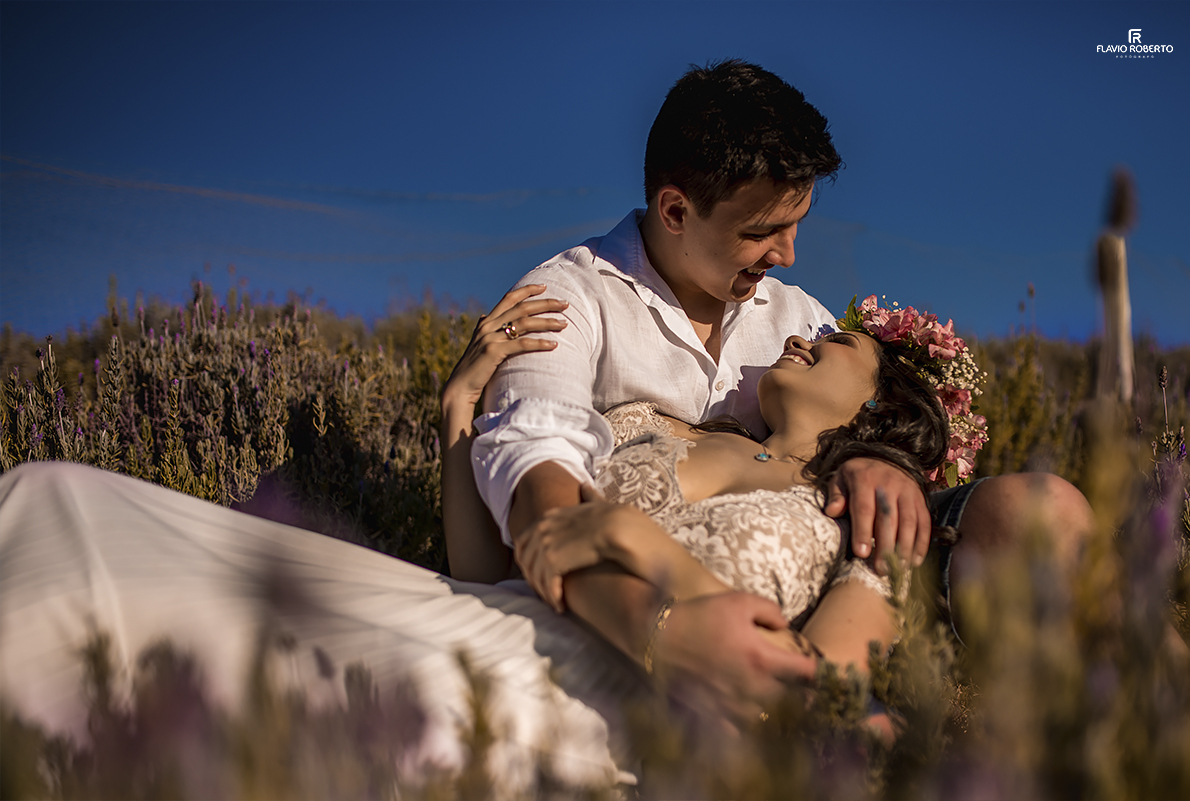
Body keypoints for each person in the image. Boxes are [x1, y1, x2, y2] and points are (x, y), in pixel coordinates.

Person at [1, 288, 974, 793]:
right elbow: (486, 568)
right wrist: (458, 412)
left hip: (608, 706)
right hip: (482, 615)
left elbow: (810, 698)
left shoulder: (867, 532)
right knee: (60, 499)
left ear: (880, 406)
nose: (801, 338)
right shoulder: (648, 421)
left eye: (834, 345)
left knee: (183, 660)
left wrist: (638, 546)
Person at [465, 60, 1095, 709]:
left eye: (798, 223)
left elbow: (882, 407)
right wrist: (666, 627)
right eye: (761, 231)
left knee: (1032, 515)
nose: (788, 253)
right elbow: (538, 475)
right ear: (675, 209)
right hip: (619, 620)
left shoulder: (800, 317)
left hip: (824, 601)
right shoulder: (566, 300)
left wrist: (886, 461)